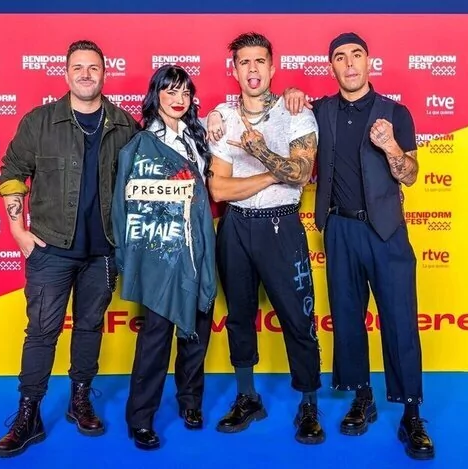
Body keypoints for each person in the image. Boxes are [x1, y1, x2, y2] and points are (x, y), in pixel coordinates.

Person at [259, 32, 435, 460]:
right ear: (332, 66)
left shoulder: (395, 112)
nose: (350, 63)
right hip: (339, 229)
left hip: (387, 232)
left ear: (369, 61)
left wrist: (390, 145)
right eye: (340, 57)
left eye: (357, 55)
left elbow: (411, 174)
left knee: (400, 321)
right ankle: (362, 398)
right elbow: (280, 111)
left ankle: (412, 414)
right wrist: (292, 91)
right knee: (347, 319)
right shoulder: (319, 112)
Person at [0, 39, 139, 458]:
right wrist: (18, 231)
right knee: (41, 332)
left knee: (90, 327)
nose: (86, 75)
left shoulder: (124, 125)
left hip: (103, 251)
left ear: (104, 73)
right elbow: (13, 171)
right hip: (51, 249)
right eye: (78, 67)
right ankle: (28, 414)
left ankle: (80, 400)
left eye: (93, 68)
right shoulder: (40, 121)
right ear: (66, 73)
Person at [205, 32, 325, 445]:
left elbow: (302, 172)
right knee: (239, 316)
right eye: (244, 62)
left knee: (298, 318)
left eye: (260, 61)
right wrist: (275, 173)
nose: (252, 69)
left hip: (281, 226)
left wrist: (259, 154)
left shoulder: (295, 112)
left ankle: (308, 404)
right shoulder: (223, 116)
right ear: (235, 69)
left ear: (273, 67)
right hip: (236, 227)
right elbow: (219, 189)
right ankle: (247, 397)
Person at [111, 65, 217, 450]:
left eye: (185, 92)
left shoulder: (198, 137)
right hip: (160, 253)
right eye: (170, 91)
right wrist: (128, 256)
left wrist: (215, 120)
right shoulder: (139, 146)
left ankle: (191, 403)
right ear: (155, 95)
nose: (178, 99)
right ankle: (140, 418)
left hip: (198, 247)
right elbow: (123, 206)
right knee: (156, 338)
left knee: (197, 329)